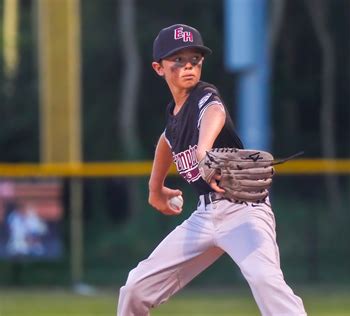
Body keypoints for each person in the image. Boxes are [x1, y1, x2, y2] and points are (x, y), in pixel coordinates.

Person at [118, 24, 306, 316]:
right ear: (158, 68)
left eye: (194, 59)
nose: (188, 66)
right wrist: (155, 189)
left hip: (245, 211)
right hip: (204, 217)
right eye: (177, 60)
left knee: (265, 279)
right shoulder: (174, 115)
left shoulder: (205, 96)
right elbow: (166, 141)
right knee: (135, 289)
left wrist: (204, 150)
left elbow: (214, 112)